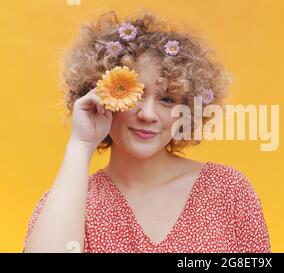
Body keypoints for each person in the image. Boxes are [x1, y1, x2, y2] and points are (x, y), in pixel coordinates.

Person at [23, 10, 270, 253]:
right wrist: (80, 143)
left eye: (168, 99)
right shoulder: (68, 202)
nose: (148, 114)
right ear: (101, 96)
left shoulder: (227, 190)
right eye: (134, 94)